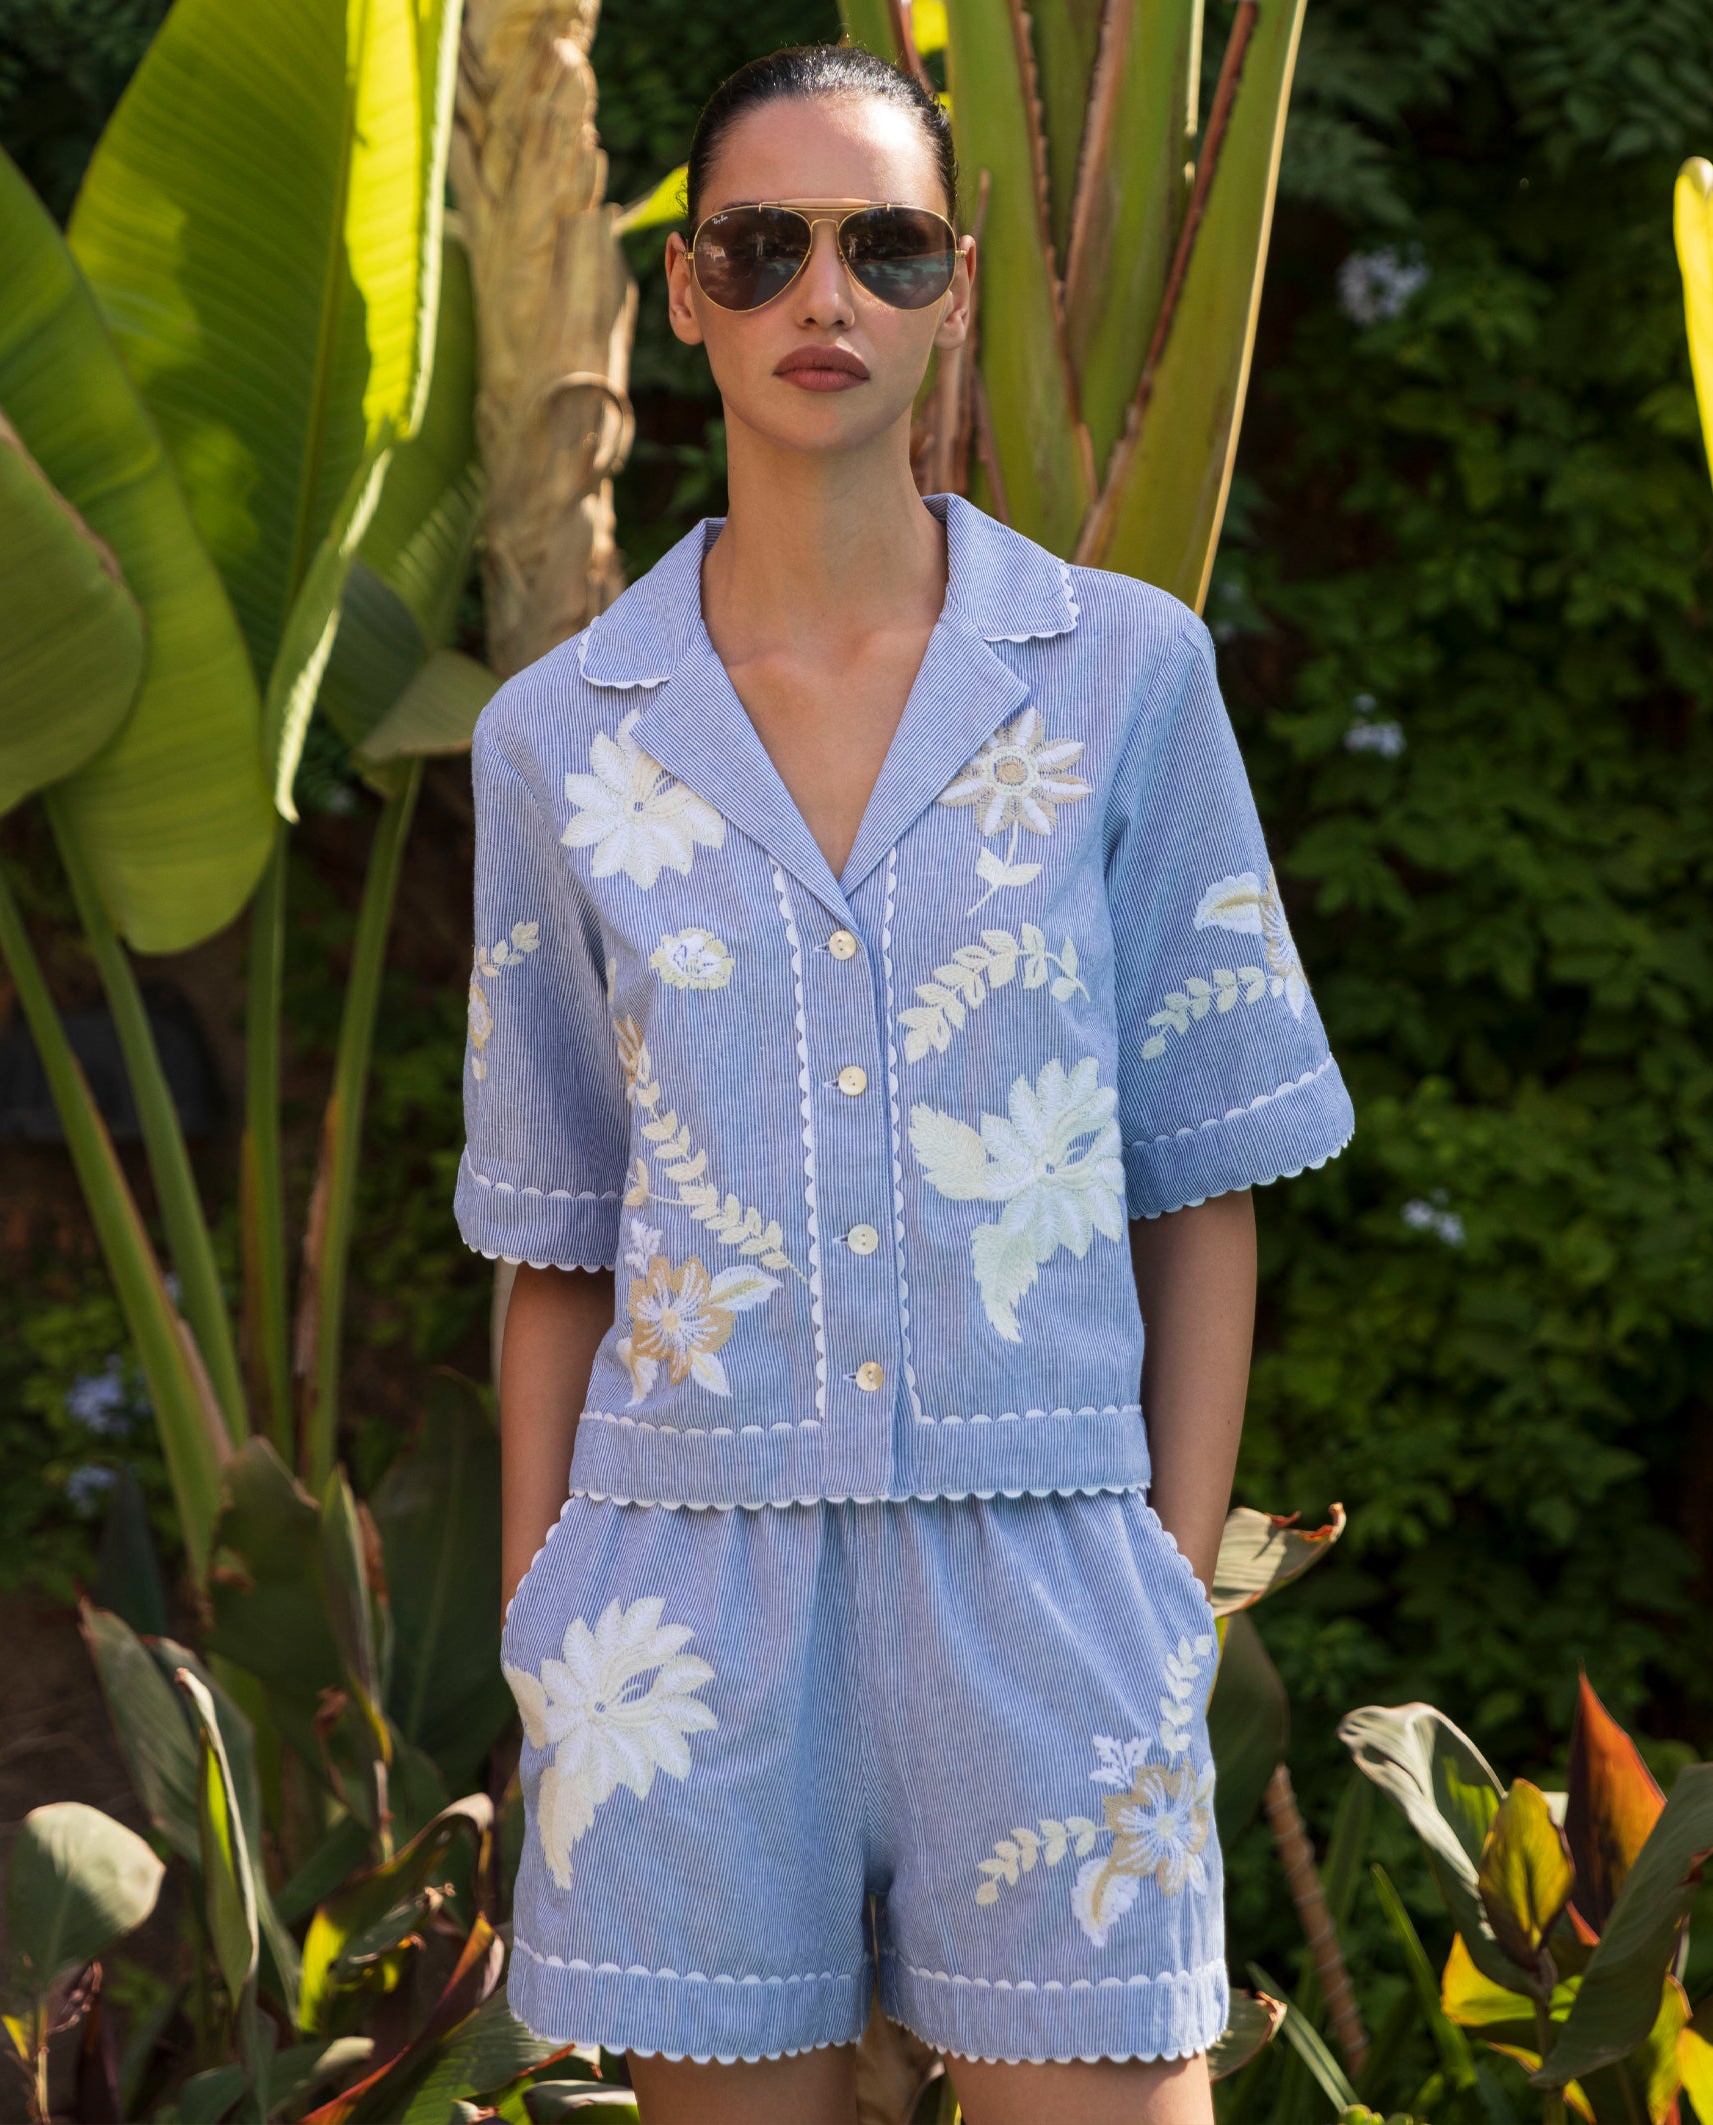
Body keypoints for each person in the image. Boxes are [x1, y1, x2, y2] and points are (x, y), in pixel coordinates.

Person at [456, 42, 1353, 2125]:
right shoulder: (557, 741)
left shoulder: (1124, 677)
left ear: (949, 284)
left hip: (1043, 1578)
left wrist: (1161, 1573)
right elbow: (552, 1242)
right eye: (760, 251)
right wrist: (542, 1619)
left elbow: (1195, 1177)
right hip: (686, 1610)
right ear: (684, 293)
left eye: (882, 247)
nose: (818, 300)